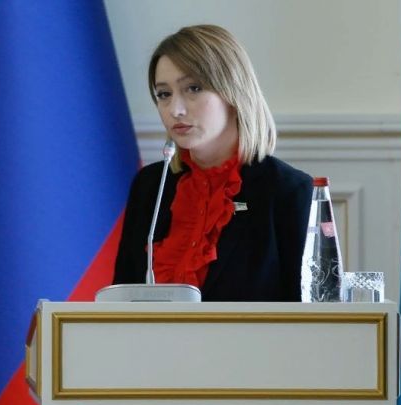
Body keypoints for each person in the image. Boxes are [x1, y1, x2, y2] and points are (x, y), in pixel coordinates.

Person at [113, 24, 313, 301]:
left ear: (233, 92)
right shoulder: (150, 186)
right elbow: (120, 304)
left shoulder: (289, 190)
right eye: (164, 94)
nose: (175, 110)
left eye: (193, 88)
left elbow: (307, 313)